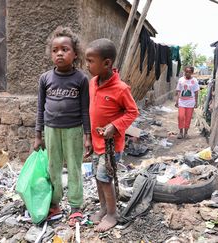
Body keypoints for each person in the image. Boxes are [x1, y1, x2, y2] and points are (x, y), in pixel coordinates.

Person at [34, 26, 92, 226]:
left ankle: (76, 206)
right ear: (51, 53)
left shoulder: (81, 79)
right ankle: (55, 203)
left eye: (65, 49)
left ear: (75, 54)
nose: (59, 53)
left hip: (74, 130)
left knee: (74, 168)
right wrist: (37, 135)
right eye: (55, 50)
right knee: (53, 168)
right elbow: (40, 108)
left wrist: (87, 135)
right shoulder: (45, 78)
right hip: (51, 129)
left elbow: (86, 110)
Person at [85, 38, 139, 232]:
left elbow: (132, 112)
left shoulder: (121, 89)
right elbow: (92, 111)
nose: (87, 65)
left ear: (107, 63)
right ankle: (103, 209)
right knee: (98, 179)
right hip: (97, 142)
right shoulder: (92, 83)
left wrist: (115, 126)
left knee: (105, 178)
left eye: (90, 61)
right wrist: (88, 138)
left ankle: (112, 214)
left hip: (111, 145)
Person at [175, 66, 199, 139]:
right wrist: (177, 101)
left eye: (189, 72)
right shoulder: (181, 80)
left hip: (190, 102)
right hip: (182, 102)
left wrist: (196, 102)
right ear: (184, 72)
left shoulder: (194, 81)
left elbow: (196, 92)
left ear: (192, 73)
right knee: (180, 116)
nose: (187, 73)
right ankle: (180, 132)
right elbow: (178, 91)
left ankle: (186, 133)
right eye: (186, 72)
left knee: (188, 118)